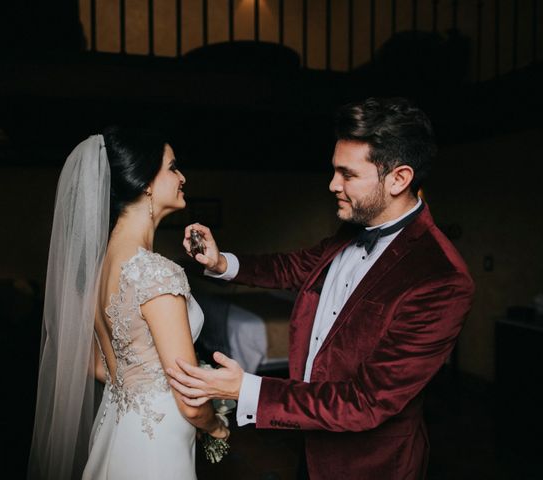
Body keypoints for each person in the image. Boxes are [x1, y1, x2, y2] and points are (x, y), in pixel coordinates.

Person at [167, 97, 475, 480]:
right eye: (334, 171)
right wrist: (220, 263)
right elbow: (295, 267)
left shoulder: (441, 278)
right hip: (312, 445)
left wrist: (247, 389)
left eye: (347, 174)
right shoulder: (351, 230)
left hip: (369, 466)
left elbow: (365, 402)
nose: (333, 185)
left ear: (399, 178)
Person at [27, 126, 229, 480]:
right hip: (156, 447)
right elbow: (190, 403)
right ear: (146, 182)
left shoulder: (99, 269)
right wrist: (216, 426)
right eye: (173, 167)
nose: (182, 177)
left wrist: (138, 382)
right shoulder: (156, 274)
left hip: (115, 429)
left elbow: (95, 363)